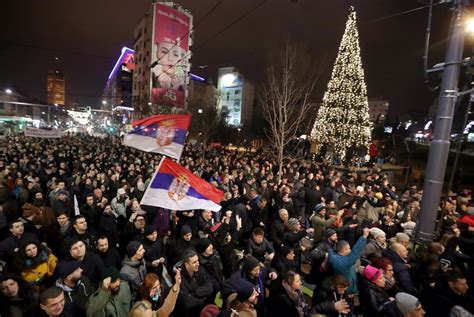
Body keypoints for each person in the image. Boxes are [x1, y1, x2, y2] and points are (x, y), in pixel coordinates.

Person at [329, 227, 369, 295]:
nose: (350, 250)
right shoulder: (344, 262)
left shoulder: (335, 255)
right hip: (348, 288)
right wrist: (364, 236)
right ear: (344, 250)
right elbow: (355, 252)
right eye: (349, 249)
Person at [175, 249, 214, 317]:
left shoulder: (200, 269)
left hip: (203, 308)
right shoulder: (179, 279)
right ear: (186, 264)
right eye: (194, 262)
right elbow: (187, 302)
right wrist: (203, 301)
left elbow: (210, 286)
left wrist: (194, 293)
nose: (198, 264)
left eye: (198, 260)